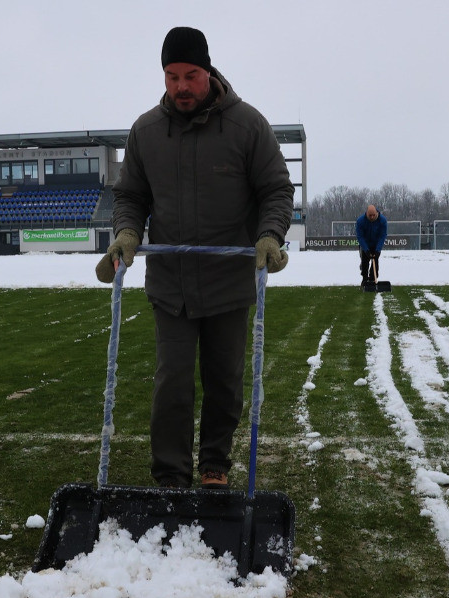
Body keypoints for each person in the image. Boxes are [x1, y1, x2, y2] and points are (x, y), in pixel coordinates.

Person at [98, 26, 293, 489]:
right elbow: (131, 195)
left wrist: (269, 235)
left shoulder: (247, 125)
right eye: (171, 76)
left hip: (228, 282)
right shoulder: (146, 131)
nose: (181, 87)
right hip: (171, 285)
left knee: (224, 382)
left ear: (208, 72)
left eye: (190, 75)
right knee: (172, 385)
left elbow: (276, 190)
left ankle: (214, 468)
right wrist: (127, 232)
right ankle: (170, 474)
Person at [355, 204, 388, 285]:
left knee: (375, 260)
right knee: (364, 261)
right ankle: (365, 278)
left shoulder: (383, 220)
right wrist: (366, 250)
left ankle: (373, 278)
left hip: (376, 243)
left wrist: (378, 250)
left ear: (376, 213)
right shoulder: (360, 221)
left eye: (373, 215)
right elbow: (360, 236)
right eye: (370, 215)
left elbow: (382, 236)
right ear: (366, 214)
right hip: (365, 243)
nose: (372, 217)